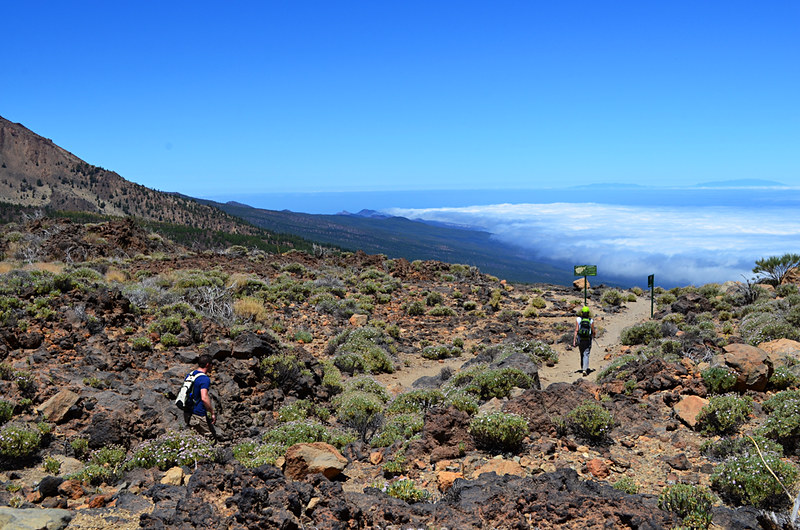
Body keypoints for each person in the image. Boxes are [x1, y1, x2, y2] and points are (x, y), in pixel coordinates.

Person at [182, 354, 217, 441]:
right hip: (198, 414)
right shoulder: (204, 379)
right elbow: (204, 398)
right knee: (209, 439)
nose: (212, 366)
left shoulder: (190, 375)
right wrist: (212, 412)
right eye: (211, 364)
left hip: (187, 413)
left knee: (194, 439)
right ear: (208, 365)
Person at [572, 306, 597, 376]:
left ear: (582, 312)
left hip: (580, 339)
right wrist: (594, 336)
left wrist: (574, 340)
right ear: (588, 313)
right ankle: (584, 369)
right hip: (587, 339)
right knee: (586, 353)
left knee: (581, 353)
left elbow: (576, 330)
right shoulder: (591, 320)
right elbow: (593, 331)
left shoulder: (578, 319)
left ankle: (583, 367)